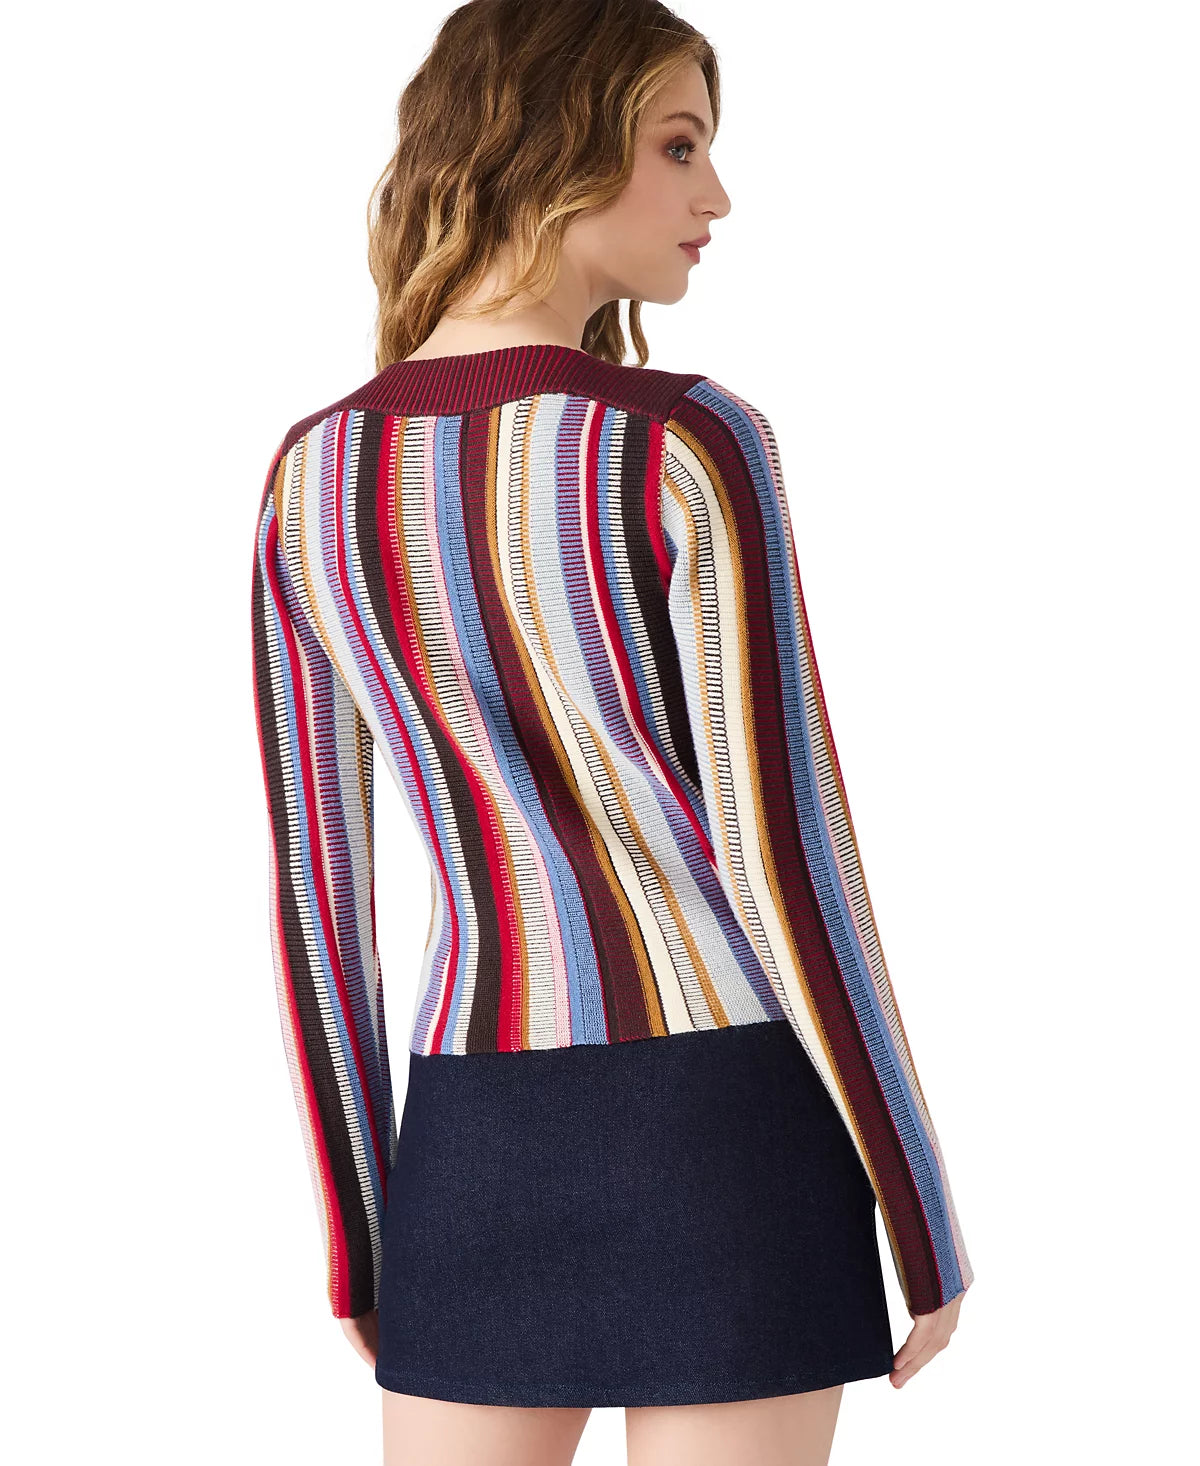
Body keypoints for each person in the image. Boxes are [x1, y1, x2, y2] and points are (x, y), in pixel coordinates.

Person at [249, 3, 973, 1462]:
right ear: (546, 146)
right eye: (679, 147)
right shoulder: (685, 441)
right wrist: (917, 1206)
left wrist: (361, 1237)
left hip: (469, 1142)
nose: (718, 198)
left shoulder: (312, 476)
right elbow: (788, 853)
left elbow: (319, 901)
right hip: (724, 1121)